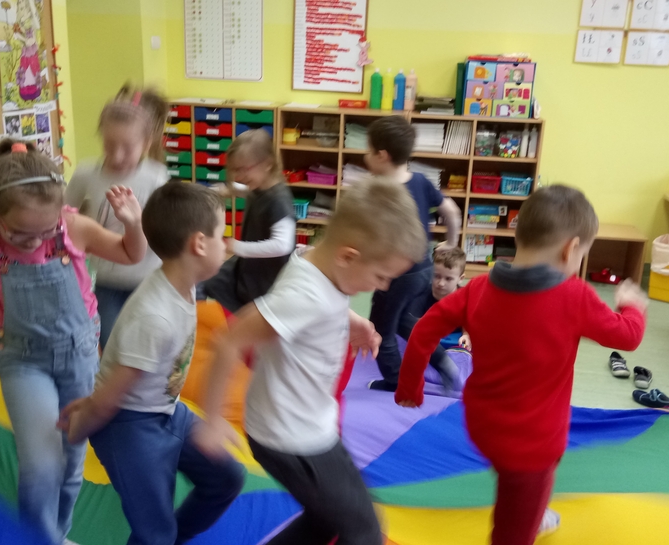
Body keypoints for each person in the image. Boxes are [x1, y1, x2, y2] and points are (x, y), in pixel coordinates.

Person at [0, 139, 147, 544]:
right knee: (41, 464)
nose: (36, 241)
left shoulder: (72, 228)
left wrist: (133, 223)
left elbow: (131, 254)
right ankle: (39, 537)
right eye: (21, 234)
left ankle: (56, 533)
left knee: (72, 459)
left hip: (78, 354)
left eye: (46, 230)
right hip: (23, 361)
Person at [394, 185, 647, 545]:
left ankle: (531, 510)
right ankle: (528, 519)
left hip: (482, 424)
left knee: (517, 479)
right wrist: (632, 306)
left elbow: (423, 331)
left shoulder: (478, 288)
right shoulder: (574, 296)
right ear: (571, 249)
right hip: (532, 444)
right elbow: (628, 336)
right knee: (514, 529)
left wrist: (410, 387)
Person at [195, 179, 429, 545]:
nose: (383, 287)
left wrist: (352, 320)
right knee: (364, 531)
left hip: (301, 426)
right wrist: (212, 419)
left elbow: (322, 296)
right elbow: (229, 340)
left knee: (325, 521)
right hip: (291, 437)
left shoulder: (315, 261)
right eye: (381, 276)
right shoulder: (305, 295)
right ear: (348, 256)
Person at [59, 181, 243, 545]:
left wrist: (135, 219)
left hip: (166, 410)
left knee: (227, 478)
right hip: (128, 424)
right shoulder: (154, 317)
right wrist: (80, 427)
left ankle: (172, 538)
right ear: (199, 244)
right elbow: (110, 399)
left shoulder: (184, 280)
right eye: (221, 235)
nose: (226, 244)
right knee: (154, 532)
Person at [65, 85, 169, 349]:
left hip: (148, 281)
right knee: (112, 346)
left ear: (146, 144)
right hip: (105, 283)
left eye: (128, 147)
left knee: (146, 346)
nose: (117, 155)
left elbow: (168, 230)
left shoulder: (156, 176)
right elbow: (62, 216)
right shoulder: (86, 174)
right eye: (109, 145)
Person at [363, 116, 462, 392]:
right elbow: (452, 211)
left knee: (381, 328)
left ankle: (397, 382)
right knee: (403, 320)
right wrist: (451, 243)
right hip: (423, 269)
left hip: (398, 273)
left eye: (368, 150)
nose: (365, 156)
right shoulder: (420, 180)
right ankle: (444, 363)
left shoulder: (380, 191)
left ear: (382, 155)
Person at [202, 129, 295, 313]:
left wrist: (240, 247)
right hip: (250, 265)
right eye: (235, 170)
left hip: (267, 277)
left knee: (249, 306)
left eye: (244, 170)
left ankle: (241, 321)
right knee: (209, 278)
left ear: (267, 164)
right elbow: (246, 191)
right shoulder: (258, 185)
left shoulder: (279, 200)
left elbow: (282, 245)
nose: (239, 176)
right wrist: (223, 191)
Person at [404, 247, 470, 394]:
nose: (440, 283)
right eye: (436, 276)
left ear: (460, 278)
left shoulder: (465, 297)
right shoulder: (423, 294)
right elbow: (412, 323)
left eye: (448, 279)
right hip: (433, 345)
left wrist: (467, 334)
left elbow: (471, 319)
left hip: (457, 344)